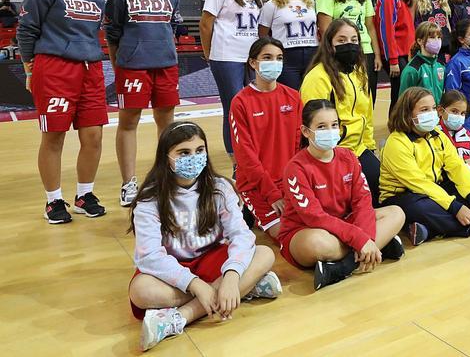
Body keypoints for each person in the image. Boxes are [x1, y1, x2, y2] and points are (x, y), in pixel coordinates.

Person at [128, 122, 280, 351]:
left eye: (200, 150)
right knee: (140, 291)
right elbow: (149, 257)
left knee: (264, 253)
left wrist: (230, 275)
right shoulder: (150, 199)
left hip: (212, 260)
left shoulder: (220, 188)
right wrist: (195, 284)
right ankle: (245, 288)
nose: (194, 157)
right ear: (166, 157)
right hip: (174, 268)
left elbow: (241, 235)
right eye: (184, 152)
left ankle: (177, 319)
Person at [17, 0, 108, 224]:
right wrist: (30, 71)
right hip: (54, 68)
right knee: (54, 136)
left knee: (93, 136)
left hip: (90, 68)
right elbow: (26, 31)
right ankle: (53, 200)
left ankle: (84, 195)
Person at [278, 99, 406, 290]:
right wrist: (360, 239)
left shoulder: (348, 156)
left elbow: (363, 202)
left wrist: (365, 238)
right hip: (308, 230)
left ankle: (343, 266)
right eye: (322, 126)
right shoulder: (296, 168)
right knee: (317, 243)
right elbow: (315, 217)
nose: (330, 131)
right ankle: (377, 247)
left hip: (345, 224)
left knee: (396, 213)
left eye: (334, 125)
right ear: (306, 131)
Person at [379, 87, 470, 244]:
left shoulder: (438, 135)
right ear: (407, 114)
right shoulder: (397, 143)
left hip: (434, 188)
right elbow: (419, 184)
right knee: (421, 208)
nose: (431, 113)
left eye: (432, 108)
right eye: (424, 110)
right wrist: (455, 208)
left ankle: (428, 230)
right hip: (404, 195)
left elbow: (458, 168)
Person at [104, 0, 182, 207]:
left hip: (166, 66)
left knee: (167, 124)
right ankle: (128, 183)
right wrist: (118, 65)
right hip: (133, 67)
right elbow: (112, 34)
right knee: (128, 123)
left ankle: (167, 176)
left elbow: (172, 28)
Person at [229, 38, 303, 240]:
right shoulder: (241, 102)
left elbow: (298, 148)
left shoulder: (294, 97)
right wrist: (272, 194)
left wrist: (297, 183)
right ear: (253, 62)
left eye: (279, 58)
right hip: (257, 187)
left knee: (314, 219)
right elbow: (245, 157)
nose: (274, 63)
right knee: (288, 234)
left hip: (289, 182)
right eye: (267, 57)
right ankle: (247, 209)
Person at [301, 18, 380, 202]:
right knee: (349, 202)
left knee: (382, 192)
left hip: (359, 150)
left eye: (354, 40)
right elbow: (312, 124)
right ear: (330, 44)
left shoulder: (360, 73)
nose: (349, 45)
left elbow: (366, 115)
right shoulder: (318, 78)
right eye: (342, 40)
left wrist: (369, 147)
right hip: (331, 151)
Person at [199, 0, 262, 157]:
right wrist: (208, 53)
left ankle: (252, 152)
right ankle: (236, 158)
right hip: (227, 56)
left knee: (254, 108)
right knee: (234, 109)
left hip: (252, 57)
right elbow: (206, 23)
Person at [316, 0, 381, 104]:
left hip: (365, 51)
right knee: (345, 97)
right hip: (342, 51)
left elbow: (370, 27)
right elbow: (325, 29)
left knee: (368, 97)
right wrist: (331, 53)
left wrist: (377, 55)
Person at [257, 0, 317, 90]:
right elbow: (262, 35)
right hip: (287, 58)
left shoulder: (310, 2)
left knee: (312, 98)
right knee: (291, 97)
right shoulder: (271, 5)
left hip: (312, 54)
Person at [399, 20, 444, 103]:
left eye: (439, 37)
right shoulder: (412, 70)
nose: (437, 41)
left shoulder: (441, 66)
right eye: (432, 37)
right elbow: (403, 101)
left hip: (438, 114)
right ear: (420, 41)